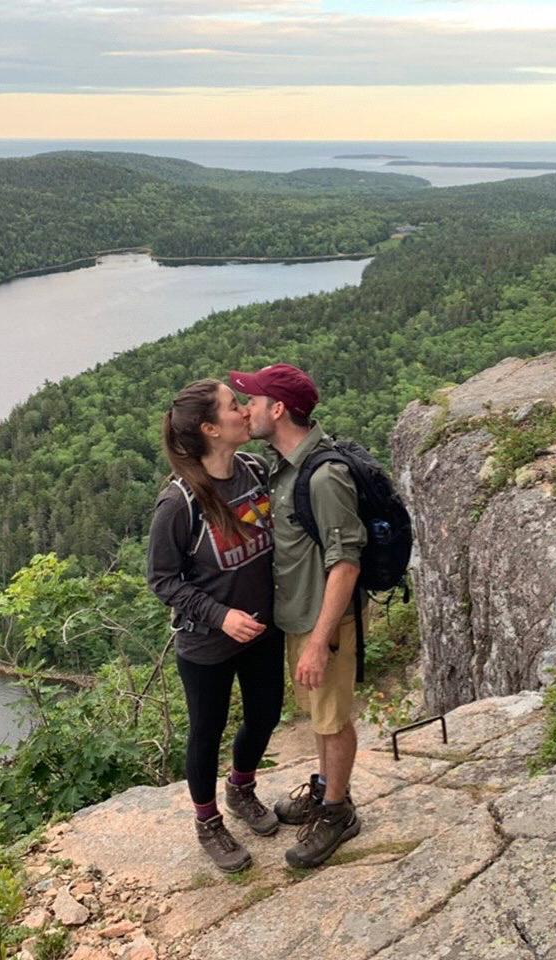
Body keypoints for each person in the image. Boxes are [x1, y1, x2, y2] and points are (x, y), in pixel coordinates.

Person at [230, 363, 367, 869]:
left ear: (278, 409)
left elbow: (346, 562)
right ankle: (327, 789)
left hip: (323, 621)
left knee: (332, 720)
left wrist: (318, 641)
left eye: (253, 401)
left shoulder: (324, 476)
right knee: (320, 716)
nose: (247, 409)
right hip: (302, 614)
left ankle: (337, 812)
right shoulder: (286, 466)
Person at [147, 378, 284, 873]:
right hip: (207, 642)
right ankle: (207, 821)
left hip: (264, 628)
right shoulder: (180, 503)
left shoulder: (253, 469)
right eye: (233, 407)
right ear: (210, 428)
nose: (244, 412)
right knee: (206, 732)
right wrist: (220, 615)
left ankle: (241, 788)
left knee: (266, 713)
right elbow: (162, 581)